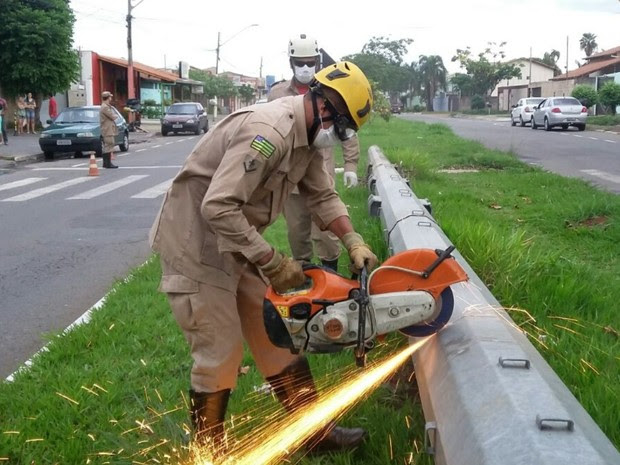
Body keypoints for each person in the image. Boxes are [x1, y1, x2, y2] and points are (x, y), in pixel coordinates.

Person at [149, 61, 377, 453]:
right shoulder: (268, 133)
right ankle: (209, 455)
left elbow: (322, 195)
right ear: (325, 109)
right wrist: (272, 261)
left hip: (235, 242)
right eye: (340, 130)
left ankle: (313, 435)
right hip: (197, 245)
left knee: (277, 335)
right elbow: (217, 207)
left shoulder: (307, 138)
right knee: (219, 350)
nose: (338, 140)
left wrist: (352, 239)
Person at [268, 34, 361, 272]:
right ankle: (306, 284)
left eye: (310, 62)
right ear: (291, 63)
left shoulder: (329, 91)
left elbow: (346, 128)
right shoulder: (277, 94)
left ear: (318, 62)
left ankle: (331, 277)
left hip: (321, 176)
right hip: (290, 180)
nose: (306, 68)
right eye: (300, 63)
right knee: (297, 235)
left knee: (328, 235)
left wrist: (350, 166)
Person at [99, 91, 118, 169]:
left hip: (108, 128)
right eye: (110, 97)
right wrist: (116, 115)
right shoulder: (105, 107)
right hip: (107, 129)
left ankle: (106, 163)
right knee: (109, 144)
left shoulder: (106, 106)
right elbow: (112, 116)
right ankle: (107, 163)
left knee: (109, 144)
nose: (111, 98)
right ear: (108, 97)